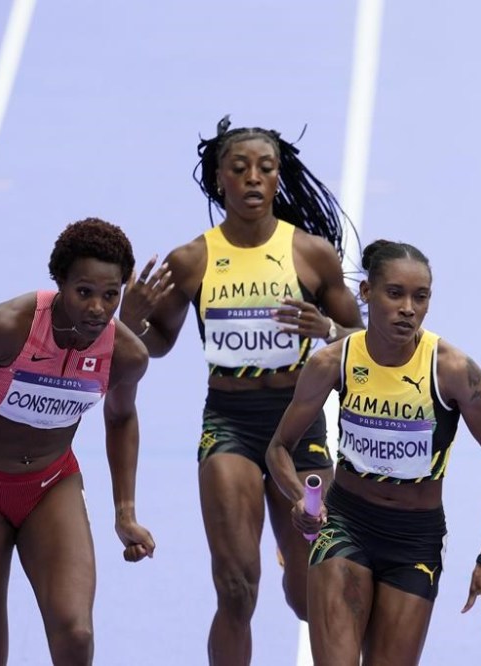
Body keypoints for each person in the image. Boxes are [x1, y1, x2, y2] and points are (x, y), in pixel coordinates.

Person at [119, 116, 364, 665]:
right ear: (219, 180)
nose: (253, 178)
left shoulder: (311, 254)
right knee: (235, 589)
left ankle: (288, 547)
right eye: (240, 168)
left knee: (309, 596)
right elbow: (156, 343)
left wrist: (326, 329)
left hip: (299, 426)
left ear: (279, 178)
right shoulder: (193, 260)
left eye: (266, 168)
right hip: (228, 422)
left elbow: (369, 347)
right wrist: (131, 321)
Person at [265, 239, 481, 666]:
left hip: (415, 540)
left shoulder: (453, 371)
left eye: (420, 297)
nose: (408, 308)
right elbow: (279, 448)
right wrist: (298, 498)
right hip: (346, 524)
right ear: (366, 294)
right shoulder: (333, 363)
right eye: (395, 294)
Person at [0, 218, 155, 665]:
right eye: (84, 292)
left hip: (50, 484)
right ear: (60, 281)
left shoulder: (125, 356)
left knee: (76, 634)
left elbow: (121, 418)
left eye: (111, 295)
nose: (98, 309)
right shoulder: (8, 327)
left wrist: (125, 513)